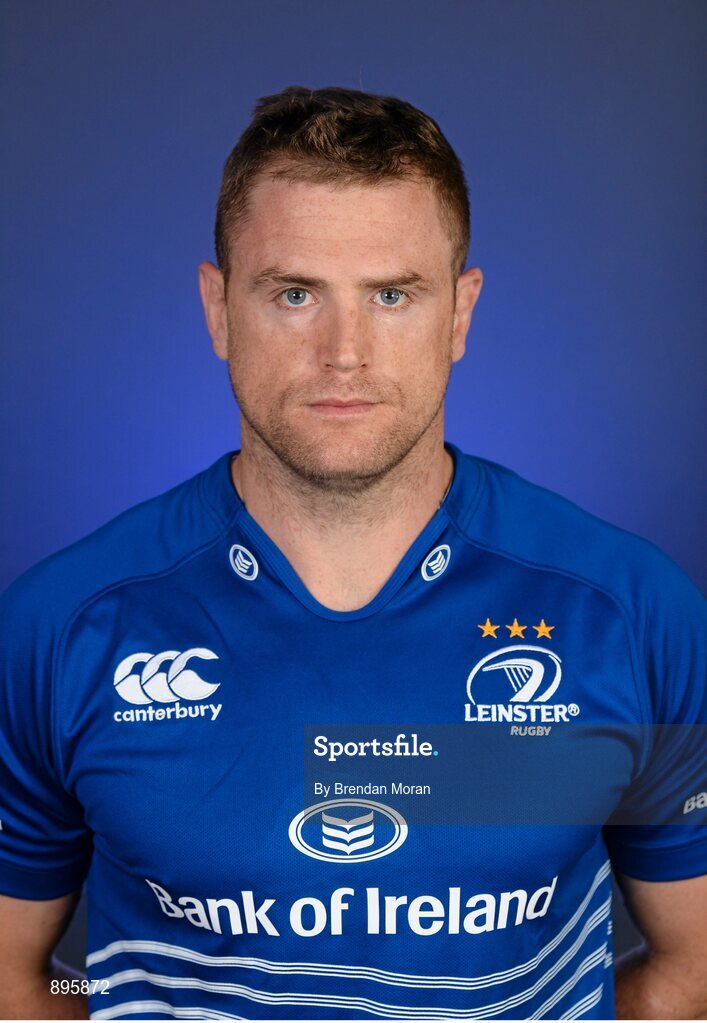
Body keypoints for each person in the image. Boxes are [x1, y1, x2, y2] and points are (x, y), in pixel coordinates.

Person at [0, 85, 705, 1022]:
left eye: (392, 294)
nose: (344, 351)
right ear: (218, 308)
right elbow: (23, 977)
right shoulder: (63, 625)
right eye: (294, 293)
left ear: (460, 310)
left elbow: (690, 968)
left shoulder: (630, 613)